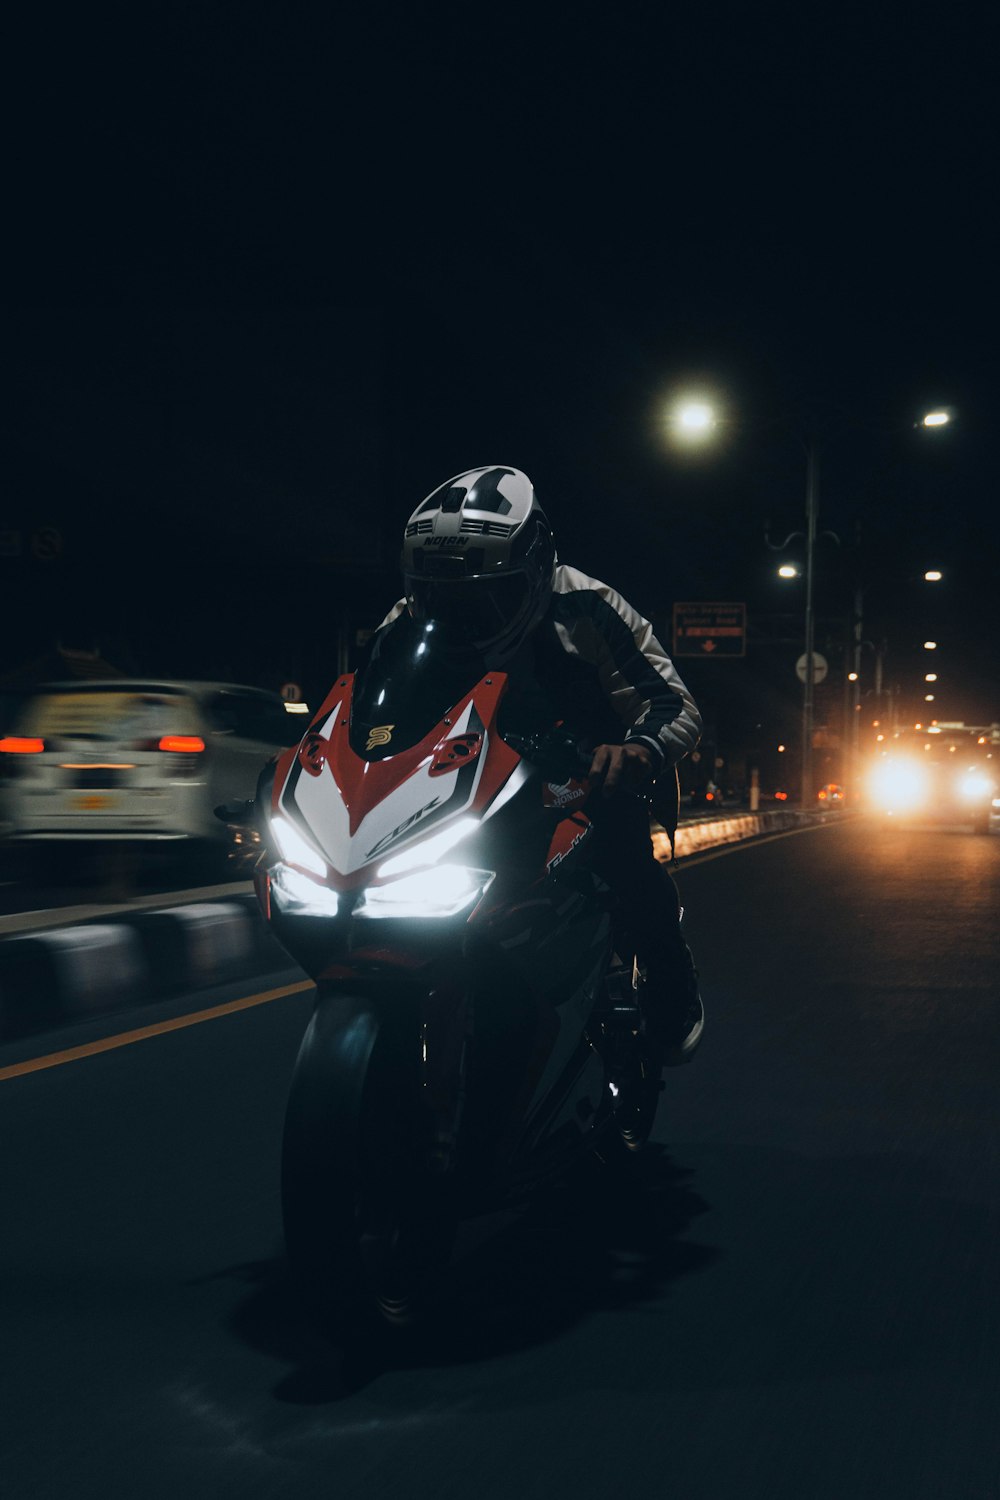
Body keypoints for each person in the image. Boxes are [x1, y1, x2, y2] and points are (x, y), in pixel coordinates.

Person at [380, 464, 704, 1066]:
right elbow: (363, 712)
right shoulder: (406, 623)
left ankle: (670, 979)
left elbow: (672, 702)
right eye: (439, 588)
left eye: (482, 592)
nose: (459, 608)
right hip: (468, 788)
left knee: (630, 870)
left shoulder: (588, 605)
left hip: (586, 783)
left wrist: (635, 751)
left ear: (532, 572)